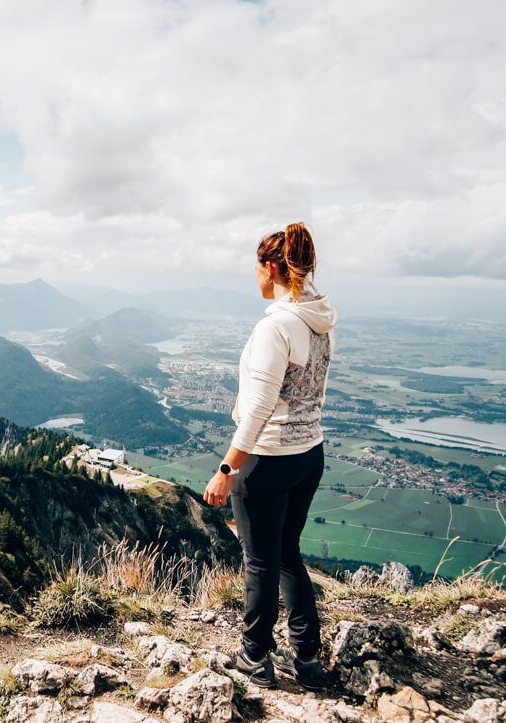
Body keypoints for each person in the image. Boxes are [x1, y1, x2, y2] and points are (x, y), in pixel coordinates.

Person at [202, 222, 338, 690]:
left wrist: (227, 469)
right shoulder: (320, 322)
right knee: (287, 556)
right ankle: (308, 661)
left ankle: (254, 657)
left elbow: (259, 408)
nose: (254, 278)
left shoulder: (275, 326)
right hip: (308, 454)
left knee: (259, 561)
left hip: (268, 459)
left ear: (270, 268)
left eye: (255, 268)